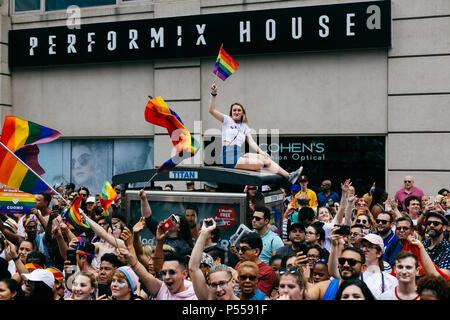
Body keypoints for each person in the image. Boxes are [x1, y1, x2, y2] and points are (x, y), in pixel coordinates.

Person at [209, 81, 303, 184]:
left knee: (265, 159)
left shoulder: (244, 126)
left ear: (242, 113)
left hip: (239, 154)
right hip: (228, 157)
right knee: (259, 163)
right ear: (231, 112)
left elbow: (251, 141)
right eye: (234, 110)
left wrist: (261, 152)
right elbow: (212, 110)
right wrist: (214, 94)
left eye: (239, 110)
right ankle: (287, 177)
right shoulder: (227, 120)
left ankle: (289, 176)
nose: (236, 112)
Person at [121, 246, 197, 300]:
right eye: (164, 273)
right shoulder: (162, 289)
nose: (167, 277)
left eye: (172, 272)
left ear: (184, 274)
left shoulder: (196, 294)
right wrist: (130, 258)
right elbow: (145, 276)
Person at [189, 218, 238, 300]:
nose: (218, 289)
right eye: (214, 285)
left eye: (222, 283)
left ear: (233, 282)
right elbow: (193, 268)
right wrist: (204, 233)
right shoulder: (209, 297)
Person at [234, 232, 277, 297]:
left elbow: (258, 297)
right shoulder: (239, 265)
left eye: (244, 249)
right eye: (239, 249)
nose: (240, 252)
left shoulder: (267, 272)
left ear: (256, 252)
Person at [359, 234, 398, 298]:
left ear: (379, 253)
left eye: (369, 246)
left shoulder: (391, 280)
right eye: (362, 246)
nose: (364, 249)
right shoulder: (354, 276)